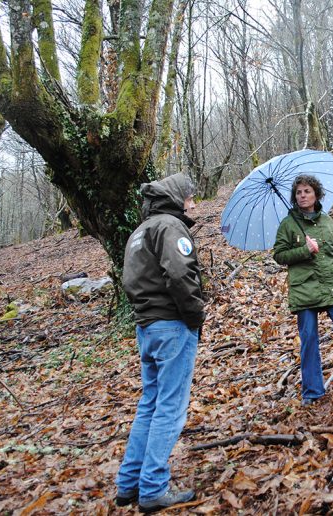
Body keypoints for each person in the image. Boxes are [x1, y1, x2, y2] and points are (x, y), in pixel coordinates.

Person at [115, 174, 205, 513]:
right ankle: (152, 487)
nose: (194, 204)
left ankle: (128, 484)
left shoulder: (140, 231)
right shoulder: (169, 227)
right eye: (191, 197)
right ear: (177, 197)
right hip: (171, 325)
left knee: (150, 403)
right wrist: (194, 316)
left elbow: (131, 280)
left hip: (147, 327)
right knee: (169, 407)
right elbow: (180, 275)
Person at [273, 175, 333, 405]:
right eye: (298, 192)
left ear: (316, 194)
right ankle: (313, 391)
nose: (302, 196)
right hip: (304, 288)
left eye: (307, 191)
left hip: (332, 284)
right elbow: (279, 256)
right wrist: (304, 250)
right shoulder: (288, 224)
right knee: (309, 339)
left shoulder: (327, 221)